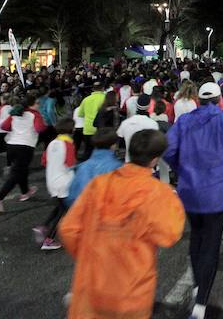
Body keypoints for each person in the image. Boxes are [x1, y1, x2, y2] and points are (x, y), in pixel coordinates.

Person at [60, 129, 184, 319]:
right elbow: (170, 234)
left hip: (91, 284)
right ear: (154, 160)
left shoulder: (98, 184)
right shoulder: (159, 192)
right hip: (130, 289)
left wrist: (91, 256)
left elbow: (68, 228)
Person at [164, 82, 223, 319]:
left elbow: (168, 150)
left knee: (197, 239)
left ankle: (196, 286)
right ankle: (201, 302)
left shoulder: (184, 121)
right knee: (211, 244)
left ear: (199, 99)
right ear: (219, 99)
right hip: (215, 192)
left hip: (189, 190)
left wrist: (180, 169)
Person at [0, 97, 47, 213]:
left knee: (22, 170)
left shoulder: (15, 113)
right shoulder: (35, 114)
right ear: (31, 105)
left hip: (11, 145)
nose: (39, 105)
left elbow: (4, 126)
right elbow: (39, 128)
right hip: (25, 146)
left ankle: (25, 192)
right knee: (16, 174)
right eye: (37, 103)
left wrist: (17, 128)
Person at [36, 118, 76, 251]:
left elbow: (44, 162)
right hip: (64, 182)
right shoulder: (69, 144)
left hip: (51, 181)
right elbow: (70, 164)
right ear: (70, 130)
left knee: (59, 208)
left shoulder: (52, 143)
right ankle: (48, 239)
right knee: (62, 211)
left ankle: (43, 227)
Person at [67, 128, 123, 206]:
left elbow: (72, 197)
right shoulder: (117, 167)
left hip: (82, 211)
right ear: (113, 145)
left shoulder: (83, 166)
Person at [117, 94, 159, 162]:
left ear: (136, 106)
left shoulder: (125, 123)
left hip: (129, 163)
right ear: (148, 107)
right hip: (146, 165)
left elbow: (120, 144)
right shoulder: (153, 124)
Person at [77, 82, 106, 158]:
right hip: (101, 129)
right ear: (103, 88)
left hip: (88, 128)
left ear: (93, 89)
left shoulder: (85, 99)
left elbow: (80, 114)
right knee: (102, 152)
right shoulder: (105, 98)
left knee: (88, 151)